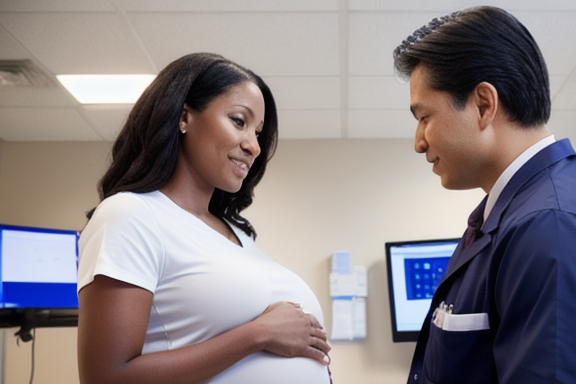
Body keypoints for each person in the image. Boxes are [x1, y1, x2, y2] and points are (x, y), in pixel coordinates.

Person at [77, 52, 332, 384]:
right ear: (184, 117)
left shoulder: (239, 235)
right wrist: (257, 335)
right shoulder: (130, 215)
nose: (253, 145)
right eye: (239, 121)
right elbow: (106, 377)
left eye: (258, 132)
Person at [393, 6, 576, 384]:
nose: (419, 142)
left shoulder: (547, 224)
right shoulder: (502, 217)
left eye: (424, 117)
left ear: (483, 104)